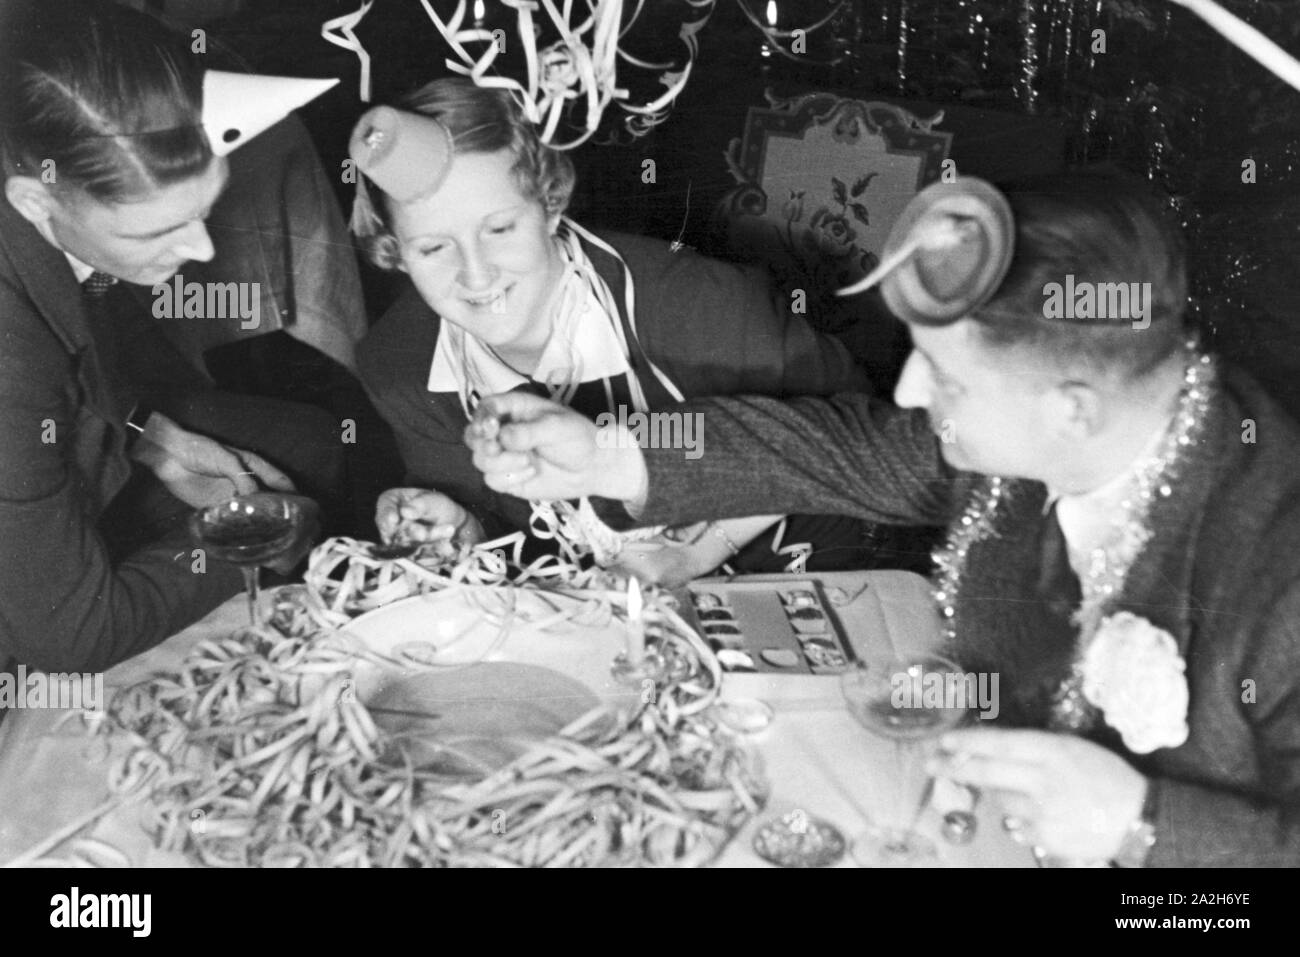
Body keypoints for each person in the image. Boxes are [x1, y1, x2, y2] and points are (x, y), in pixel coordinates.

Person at [466, 172, 1300, 866]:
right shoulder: (1035, 431)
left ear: (1072, 412)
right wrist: (606, 453)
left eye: (945, 376)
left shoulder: (1279, 569)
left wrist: (1141, 824)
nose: (907, 394)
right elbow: (829, 447)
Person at [352, 78, 915, 587]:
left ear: (549, 205)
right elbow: (518, 532)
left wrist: (697, 553)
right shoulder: (399, 366)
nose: (476, 274)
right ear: (394, 251)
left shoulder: (700, 308)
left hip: (810, 573)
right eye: (433, 247)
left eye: (500, 228)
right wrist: (462, 526)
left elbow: (855, 436)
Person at [0, 1, 325, 676]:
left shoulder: (57, 191)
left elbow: (86, 371)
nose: (201, 249)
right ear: (35, 202)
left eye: (205, 208)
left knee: (315, 445)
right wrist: (248, 544)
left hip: (58, 442)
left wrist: (155, 439)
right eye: (152, 233)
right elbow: (71, 636)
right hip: (35, 616)